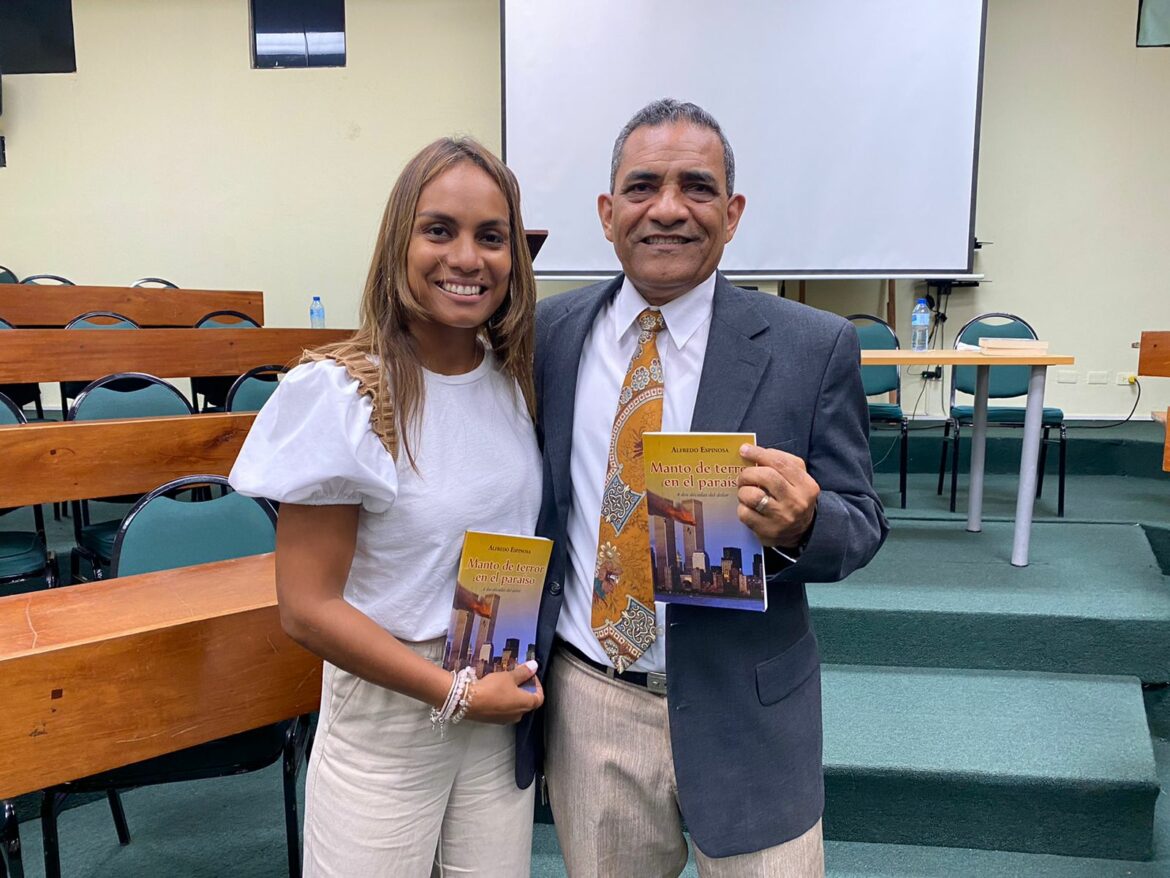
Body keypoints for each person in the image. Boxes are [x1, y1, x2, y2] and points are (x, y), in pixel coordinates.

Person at [517, 100, 889, 876]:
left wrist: (804, 524)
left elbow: (862, 521)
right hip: (593, 707)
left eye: (697, 187)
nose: (668, 209)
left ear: (733, 212)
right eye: (643, 186)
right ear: (607, 212)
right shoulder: (548, 336)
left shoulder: (810, 347)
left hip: (748, 709)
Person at [230, 137, 544, 877]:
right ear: (398, 242)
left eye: (491, 236)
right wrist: (455, 694)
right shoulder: (342, 392)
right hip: (392, 711)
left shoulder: (515, 380)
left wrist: (484, 694)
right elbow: (306, 608)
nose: (466, 258)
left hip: (496, 688)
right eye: (439, 230)